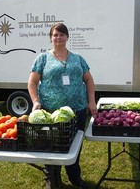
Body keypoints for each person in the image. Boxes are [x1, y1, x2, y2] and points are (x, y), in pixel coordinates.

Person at [28, 23, 97, 189]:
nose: (58, 37)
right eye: (55, 35)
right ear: (51, 38)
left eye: (62, 34)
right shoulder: (42, 58)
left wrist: (92, 101)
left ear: (67, 37)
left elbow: (88, 79)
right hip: (51, 113)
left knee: (75, 145)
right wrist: (35, 101)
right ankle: (52, 178)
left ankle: (75, 177)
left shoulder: (78, 58)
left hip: (77, 110)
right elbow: (32, 82)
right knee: (52, 145)